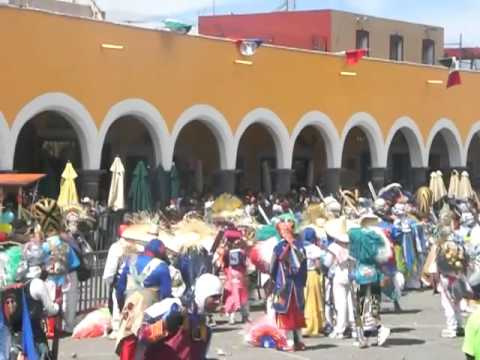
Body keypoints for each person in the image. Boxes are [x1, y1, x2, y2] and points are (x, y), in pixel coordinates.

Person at [136, 273, 223, 360]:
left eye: (219, 297)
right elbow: (141, 335)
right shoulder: (171, 306)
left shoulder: (204, 325)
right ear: (204, 294)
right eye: (214, 297)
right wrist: (164, 326)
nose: (218, 302)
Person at [115, 239, 172, 359]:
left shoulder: (130, 261)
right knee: (149, 341)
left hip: (130, 305)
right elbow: (166, 295)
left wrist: (122, 307)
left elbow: (120, 288)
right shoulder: (162, 267)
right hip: (151, 309)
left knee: (127, 338)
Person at [270, 221, 307, 351]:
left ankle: (290, 342)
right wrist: (302, 282)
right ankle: (300, 341)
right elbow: (304, 268)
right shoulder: (300, 246)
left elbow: (273, 268)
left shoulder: (278, 247)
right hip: (297, 285)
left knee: (285, 314)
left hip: (284, 285)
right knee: (297, 312)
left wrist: (274, 281)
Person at [325, 216, 354, 339]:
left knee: (340, 303)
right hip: (352, 273)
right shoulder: (352, 245)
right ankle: (354, 327)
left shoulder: (334, 247)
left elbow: (327, 262)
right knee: (351, 301)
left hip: (339, 273)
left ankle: (340, 329)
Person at [302, 227, 327, 337]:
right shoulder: (314, 249)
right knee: (314, 301)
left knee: (304, 300)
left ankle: (303, 325)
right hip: (312, 274)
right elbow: (317, 264)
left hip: (302, 275)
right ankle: (313, 326)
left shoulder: (300, 247)